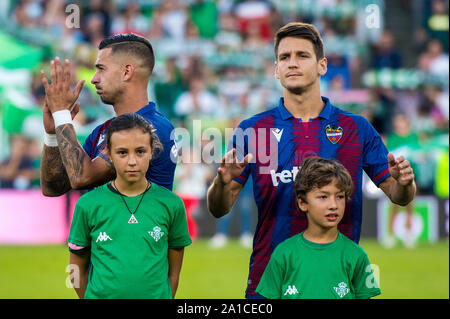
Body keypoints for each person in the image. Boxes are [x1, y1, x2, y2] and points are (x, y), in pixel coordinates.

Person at [206, 22, 416, 298]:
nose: (292, 63)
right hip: (269, 282)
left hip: (337, 282)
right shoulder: (253, 130)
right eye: (284, 57)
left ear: (322, 66)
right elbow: (219, 208)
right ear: (276, 70)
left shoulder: (356, 128)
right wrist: (221, 183)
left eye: (302, 55)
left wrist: (403, 183)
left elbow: (399, 195)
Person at [68, 113, 192, 299]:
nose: (132, 161)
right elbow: (75, 268)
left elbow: (174, 272)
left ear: (152, 151)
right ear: (108, 153)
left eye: (140, 151)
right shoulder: (87, 205)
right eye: (122, 152)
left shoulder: (171, 204)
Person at [40, 33, 177, 197]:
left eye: (101, 69)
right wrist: (52, 135)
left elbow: (81, 178)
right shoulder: (102, 130)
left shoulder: (150, 127)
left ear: (126, 72)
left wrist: (62, 115)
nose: (94, 79)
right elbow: (53, 187)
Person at [256, 157, 381, 299]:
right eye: (323, 197)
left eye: (340, 196)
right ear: (303, 203)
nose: (333, 205)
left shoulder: (357, 255)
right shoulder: (283, 253)